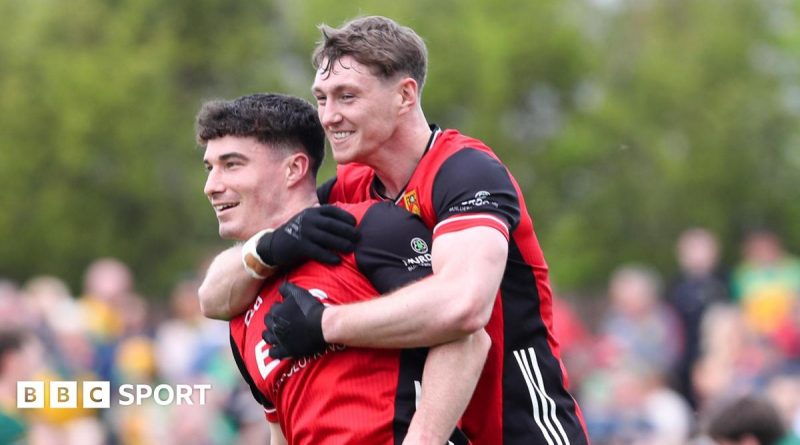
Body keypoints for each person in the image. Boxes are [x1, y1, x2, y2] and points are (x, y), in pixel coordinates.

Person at [200, 15, 589, 444]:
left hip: (522, 429)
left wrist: (326, 324)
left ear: (405, 96)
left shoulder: (465, 172)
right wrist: (266, 248)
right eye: (321, 98)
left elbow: (464, 308)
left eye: (346, 96)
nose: (328, 116)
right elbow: (212, 298)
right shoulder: (353, 186)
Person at [197, 92, 489, 444]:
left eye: (232, 164)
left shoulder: (368, 227)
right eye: (209, 168)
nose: (212, 186)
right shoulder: (240, 304)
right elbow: (281, 431)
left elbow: (467, 337)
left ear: (294, 169)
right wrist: (269, 246)